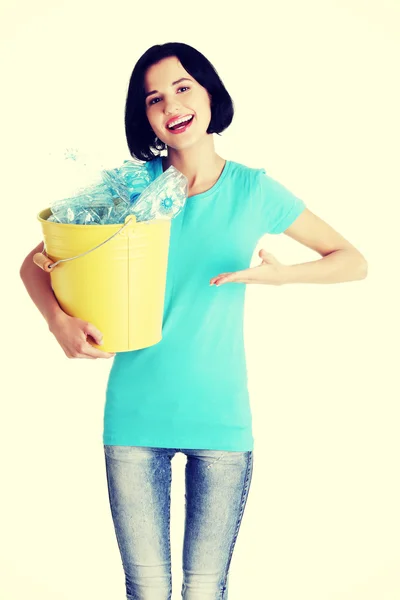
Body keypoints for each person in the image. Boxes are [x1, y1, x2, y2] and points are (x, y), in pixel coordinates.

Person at [20, 42, 368, 600]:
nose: (171, 105)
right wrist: (59, 323)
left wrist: (277, 277)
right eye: (154, 98)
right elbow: (34, 262)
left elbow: (352, 261)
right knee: (146, 590)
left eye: (183, 87)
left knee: (206, 590)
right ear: (146, 117)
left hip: (221, 422)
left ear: (209, 94)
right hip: (134, 417)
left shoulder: (255, 190)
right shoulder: (130, 190)